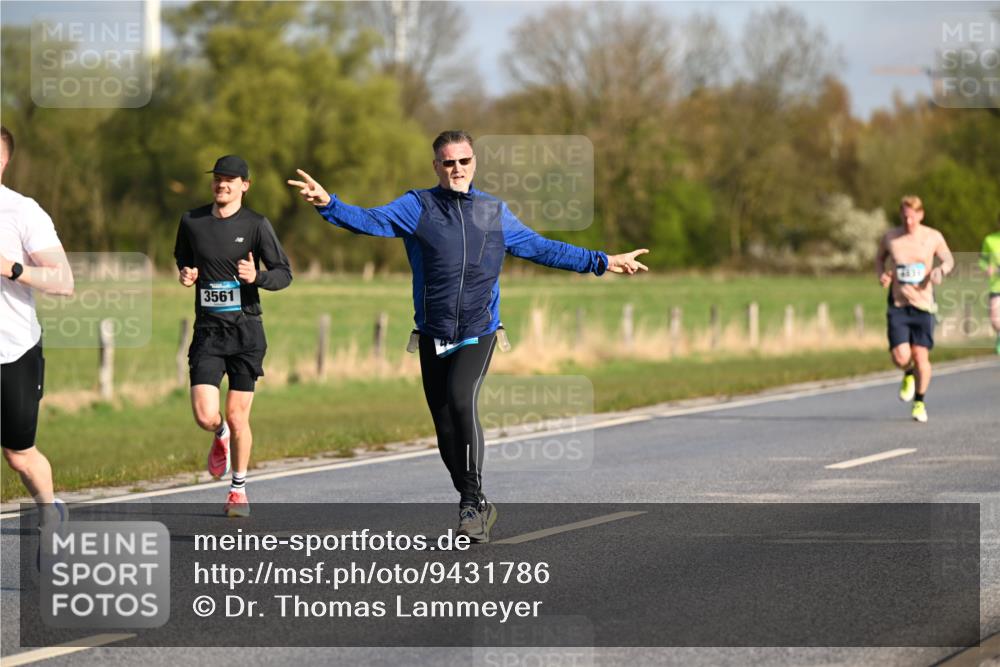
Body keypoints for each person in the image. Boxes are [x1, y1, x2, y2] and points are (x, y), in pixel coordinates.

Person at [289, 130, 649, 542]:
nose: (456, 168)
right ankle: (474, 501)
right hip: (432, 332)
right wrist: (329, 204)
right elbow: (370, 221)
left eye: (463, 161)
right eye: (448, 162)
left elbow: (542, 248)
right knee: (444, 426)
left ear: (474, 163)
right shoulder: (417, 207)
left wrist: (602, 261)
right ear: (436, 166)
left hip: (478, 330)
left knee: (462, 400)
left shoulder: (493, 213)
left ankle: (471, 501)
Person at [174, 155, 292, 517]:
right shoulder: (192, 221)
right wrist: (186, 272)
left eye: (230, 179)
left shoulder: (256, 225)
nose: (222, 184)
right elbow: (182, 256)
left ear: (245, 185)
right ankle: (219, 434)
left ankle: (238, 490)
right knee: (206, 415)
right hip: (208, 332)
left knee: (239, 416)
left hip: (246, 332)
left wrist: (256, 277)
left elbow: (284, 273)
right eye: (218, 179)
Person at [0, 125, 74, 527]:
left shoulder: (22, 211)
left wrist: (11, 268)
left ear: (3, 161)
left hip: (13, 350)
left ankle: (50, 513)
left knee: (18, 455)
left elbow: (64, 282)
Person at [875, 195, 954, 423]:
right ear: (901, 215)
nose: (909, 222)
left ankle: (919, 402)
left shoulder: (932, 236)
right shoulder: (891, 237)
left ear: (921, 215)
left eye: (913, 217)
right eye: (905, 216)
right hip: (899, 305)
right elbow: (879, 258)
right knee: (901, 357)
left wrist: (941, 271)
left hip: (924, 305)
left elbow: (948, 260)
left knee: (921, 356)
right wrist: (881, 274)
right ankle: (907, 373)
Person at [979, 215, 1000, 355]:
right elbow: (983, 261)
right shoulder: (990, 240)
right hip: (996, 286)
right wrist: (987, 268)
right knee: (995, 320)